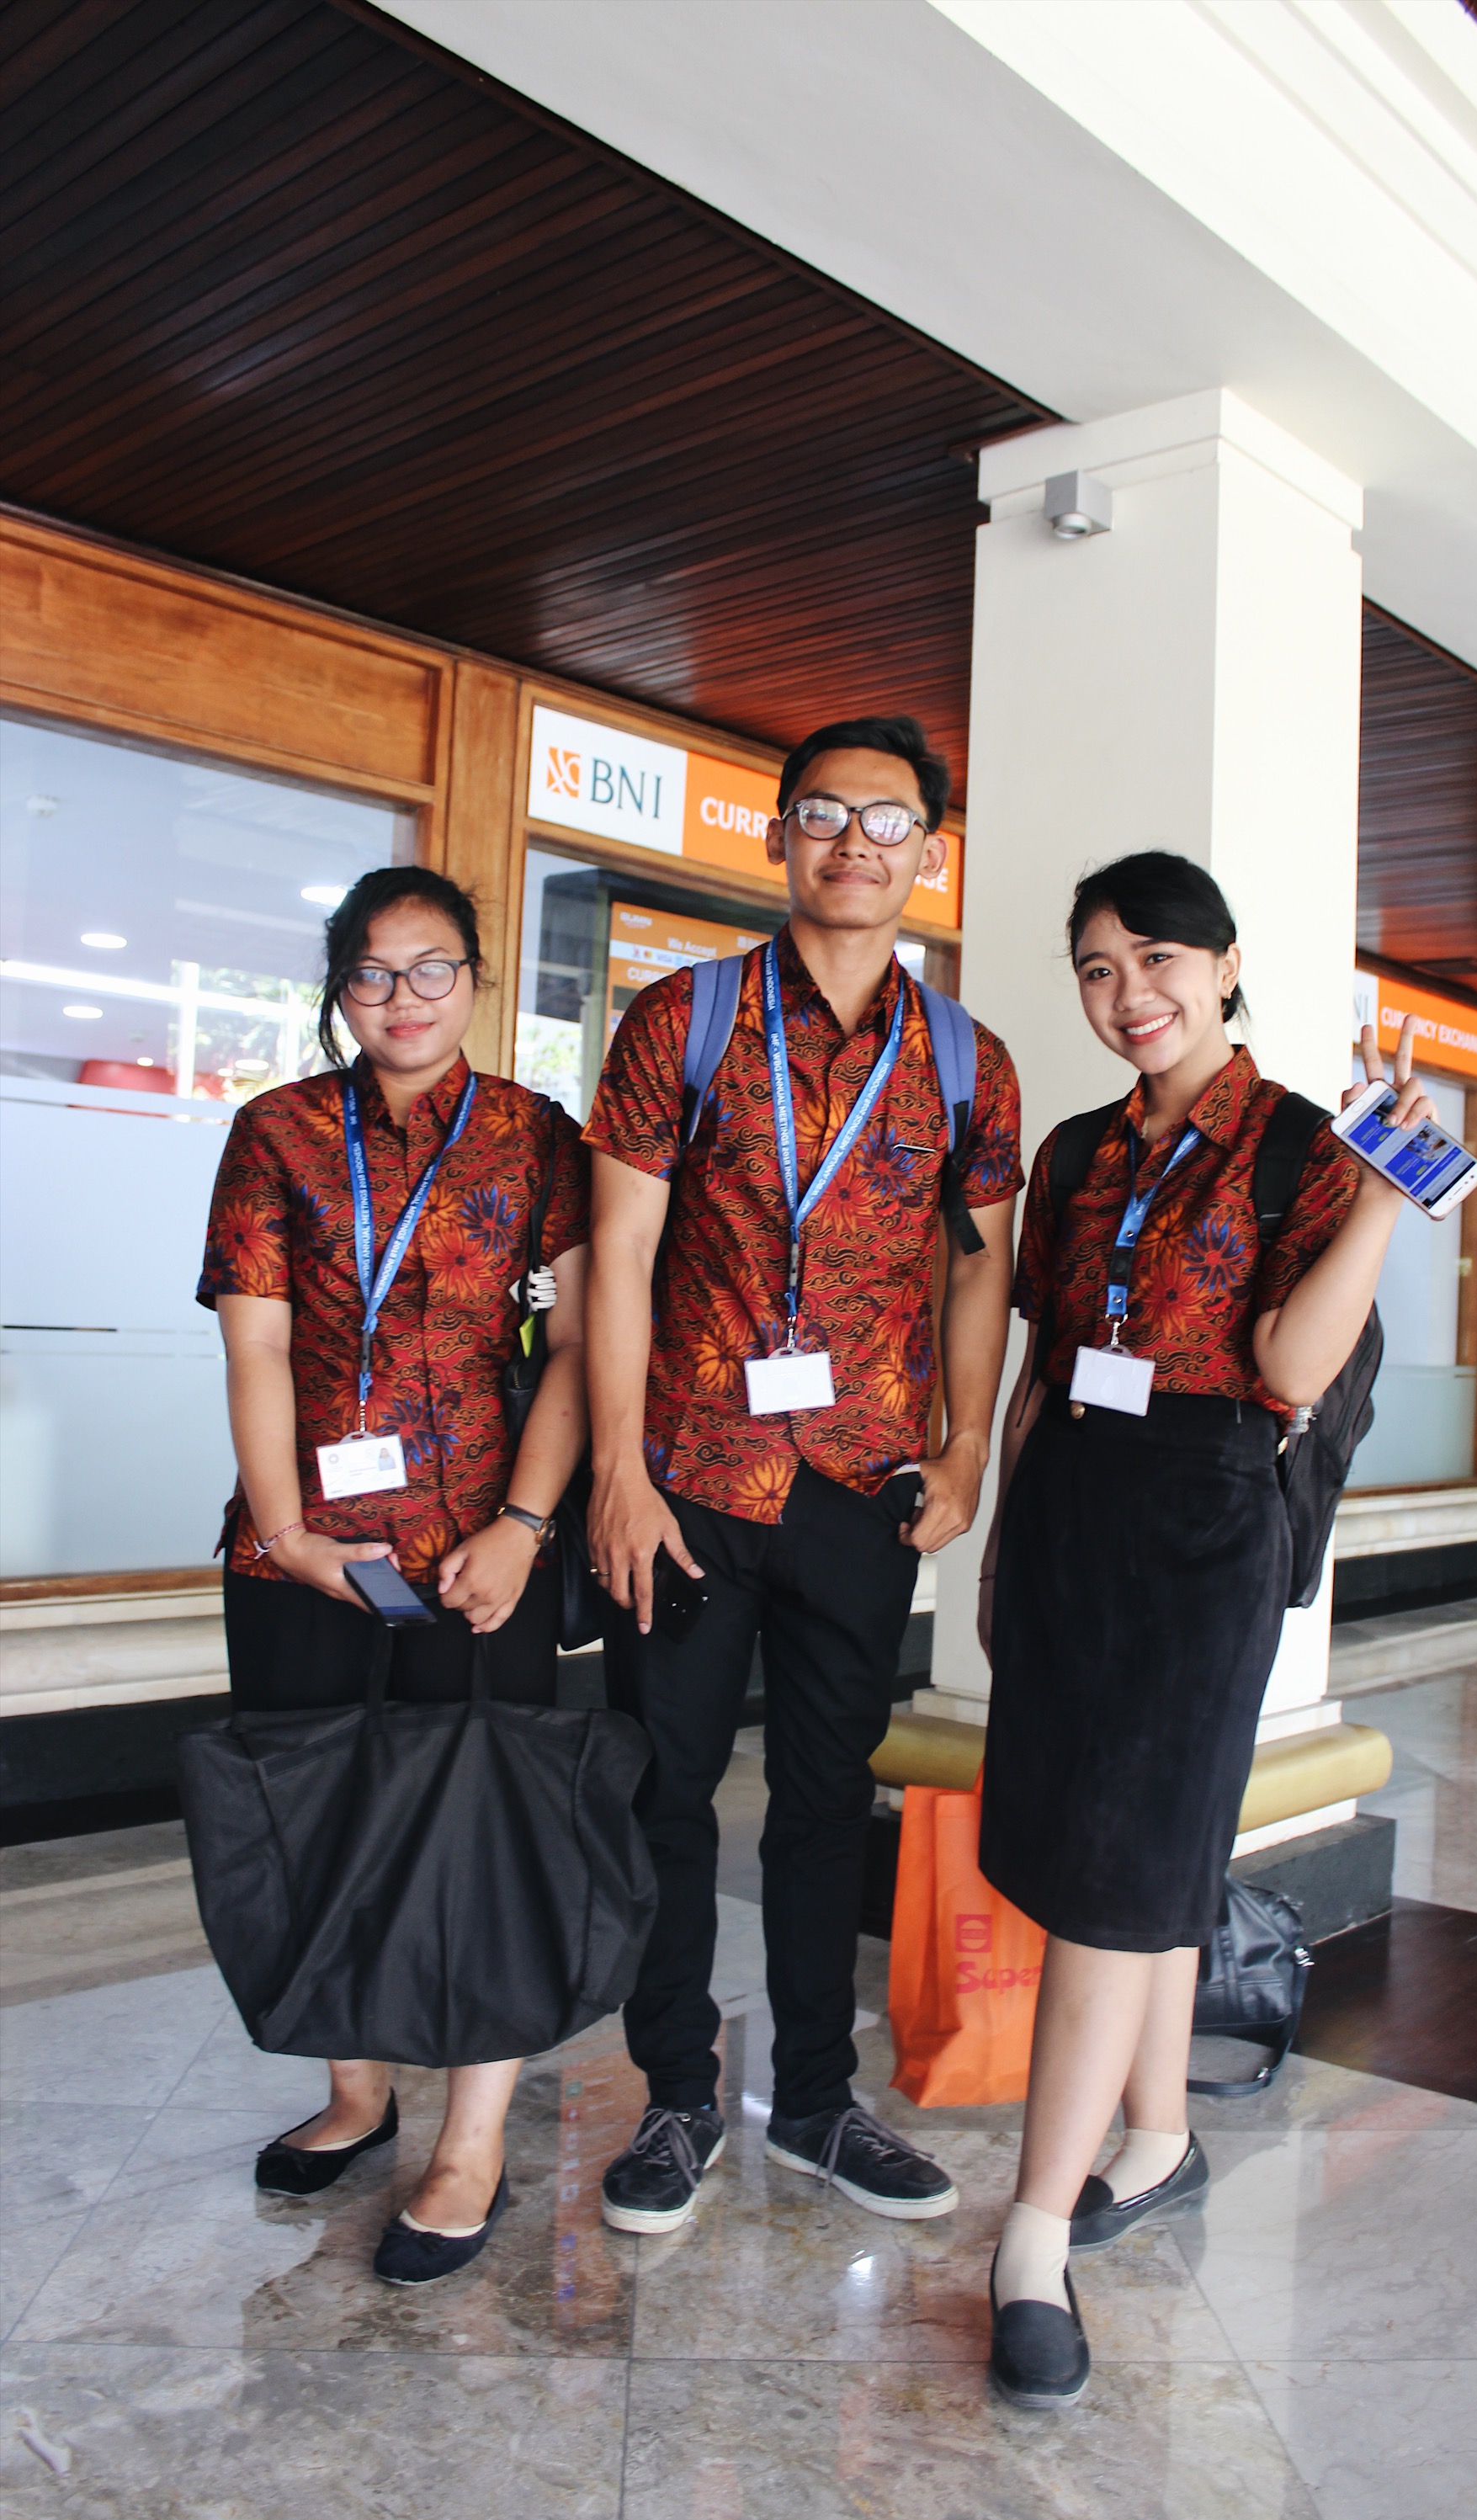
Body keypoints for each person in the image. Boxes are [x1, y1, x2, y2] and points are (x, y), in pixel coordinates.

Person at [975, 851, 1434, 2407]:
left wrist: (1381, 1198)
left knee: (1122, 1867)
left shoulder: (1307, 1144)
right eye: (1097, 969)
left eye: (1156, 960)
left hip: (1203, 1517)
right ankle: (1158, 2138)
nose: (1129, 997)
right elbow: (1048, 1355)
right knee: (1114, 1848)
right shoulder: (1077, 1149)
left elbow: (1294, 1369)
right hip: (1070, 1508)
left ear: (1226, 965)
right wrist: (1000, 1540)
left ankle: (1030, 2234)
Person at [584, 714, 1021, 2233]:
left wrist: (965, 1448)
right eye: (824, 813)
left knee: (832, 1794)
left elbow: (981, 1276)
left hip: (861, 1485)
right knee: (669, 1793)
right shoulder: (681, 1022)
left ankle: (821, 2108)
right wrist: (619, 1473)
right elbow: (619, 1257)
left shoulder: (968, 1061)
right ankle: (676, 2099)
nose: (853, 843)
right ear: (776, 836)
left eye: (886, 820)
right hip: (691, 1477)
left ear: (928, 853)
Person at [198, 864, 588, 2285]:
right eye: (372, 975)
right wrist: (287, 1526)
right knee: (321, 1815)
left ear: (478, 982)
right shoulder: (276, 1133)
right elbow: (251, 1344)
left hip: (479, 1553)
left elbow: (577, 1361)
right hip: (303, 1551)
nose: (404, 1000)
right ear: (339, 993)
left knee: (477, 1832)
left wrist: (527, 1528)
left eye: (432, 970)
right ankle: (361, 2092)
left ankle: (471, 2138)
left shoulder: (545, 1141)